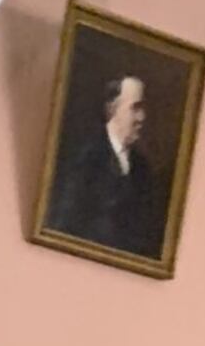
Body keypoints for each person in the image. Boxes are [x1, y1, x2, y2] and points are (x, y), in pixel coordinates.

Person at [48, 73, 159, 257]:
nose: (142, 117)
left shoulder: (142, 168)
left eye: (143, 109)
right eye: (135, 108)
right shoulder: (85, 157)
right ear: (112, 109)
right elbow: (65, 225)